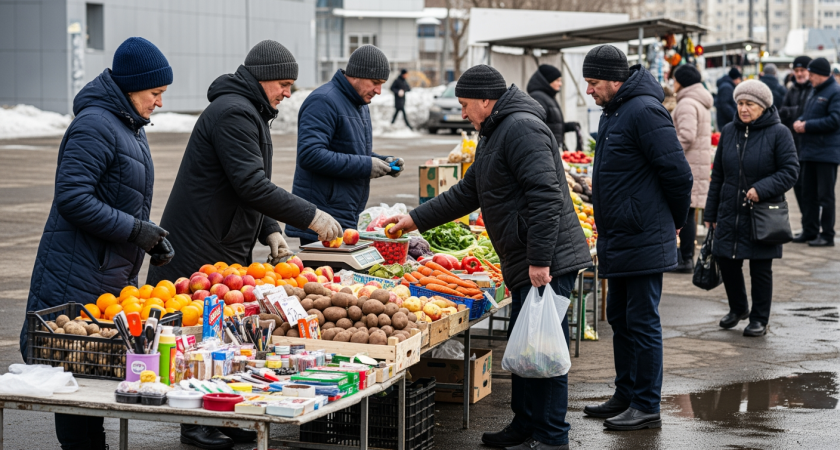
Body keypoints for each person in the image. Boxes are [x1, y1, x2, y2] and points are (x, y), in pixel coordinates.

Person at [145, 40, 341, 449]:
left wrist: (270, 231)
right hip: (201, 242)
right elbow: (252, 185)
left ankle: (220, 411)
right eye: (284, 84)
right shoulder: (234, 113)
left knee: (222, 339)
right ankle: (195, 421)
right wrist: (309, 216)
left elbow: (250, 187)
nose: (288, 93)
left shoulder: (250, 111)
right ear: (262, 77)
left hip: (225, 241)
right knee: (196, 337)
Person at [386, 65, 592, 450]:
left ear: (486, 99)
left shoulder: (521, 129)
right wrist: (414, 219)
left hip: (546, 259)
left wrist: (540, 260)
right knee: (525, 341)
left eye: (465, 105)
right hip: (524, 256)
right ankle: (525, 423)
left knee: (544, 346)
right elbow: (468, 191)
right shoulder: (495, 130)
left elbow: (546, 197)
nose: (462, 113)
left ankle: (551, 435)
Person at [21, 37, 173, 450]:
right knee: (76, 387)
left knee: (91, 383)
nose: (159, 103)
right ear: (131, 86)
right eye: (155, 93)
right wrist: (134, 231)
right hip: (75, 273)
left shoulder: (128, 125)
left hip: (105, 273)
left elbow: (118, 198)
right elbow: (73, 198)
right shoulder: (95, 124)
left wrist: (149, 237)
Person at [579, 45, 693, 431]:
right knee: (620, 317)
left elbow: (678, 175)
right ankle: (625, 394)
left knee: (642, 322)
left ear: (615, 79)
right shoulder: (615, 111)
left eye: (593, 83)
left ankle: (646, 405)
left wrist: (674, 223)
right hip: (620, 235)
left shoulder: (644, 110)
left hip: (644, 234)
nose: (589, 91)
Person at [704, 80, 799, 336]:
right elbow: (719, 175)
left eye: (750, 104)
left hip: (762, 214)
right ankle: (738, 308)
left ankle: (759, 318)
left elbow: (790, 171)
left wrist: (762, 188)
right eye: (740, 103)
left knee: (760, 268)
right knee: (726, 260)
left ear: (763, 106)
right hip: (729, 211)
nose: (743, 109)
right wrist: (710, 214)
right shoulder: (728, 130)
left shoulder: (780, 133)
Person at [287, 45, 404, 245]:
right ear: (356, 75)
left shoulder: (358, 104)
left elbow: (352, 152)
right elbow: (310, 154)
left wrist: (381, 162)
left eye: (382, 84)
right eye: (375, 83)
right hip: (321, 220)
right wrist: (367, 165)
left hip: (344, 216)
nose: (379, 90)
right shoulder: (323, 101)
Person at [793, 57, 840, 247]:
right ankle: (809, 230)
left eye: (811, 74)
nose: (809, 77)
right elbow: (810, 113)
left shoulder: (835, 92)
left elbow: (835, 120)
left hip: (826, 154)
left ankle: (827, 234)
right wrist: (801, 121)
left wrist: (807, 126)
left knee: (825, 196)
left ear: (821, 74)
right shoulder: (815, 91)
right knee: (808, 194)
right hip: (809, 151)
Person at [671, 64, 714, 272]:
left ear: (681, 81)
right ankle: (686, 257)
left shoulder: (687, 103)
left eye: (675, 79)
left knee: (685, 212)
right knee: (689, 211)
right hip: (696, 163)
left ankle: (685, 259)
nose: (672, 83)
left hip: (687, 163)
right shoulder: (700, 101)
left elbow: (686, 136)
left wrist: (667, 152)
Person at [779, 56, 813, 224]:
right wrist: (795, 113)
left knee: (812, 190)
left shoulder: (814, 89)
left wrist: (792, 113)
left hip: (811, 147)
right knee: (798, 187)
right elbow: (782, 112)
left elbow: (807, 113)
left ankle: (813, 225)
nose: (799, 74)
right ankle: (807, 224)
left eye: (802, 70)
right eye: (797, 71)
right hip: (794, 145)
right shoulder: (791, 90)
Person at [526, 64, 580, 150]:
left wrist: (569, 126)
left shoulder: (548, 97)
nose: (560, 84)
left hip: (553, 148)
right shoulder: (538, 97)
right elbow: (536, 126)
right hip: (547, 149)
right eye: (558, 80)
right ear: (547, 81)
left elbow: (552, 124)